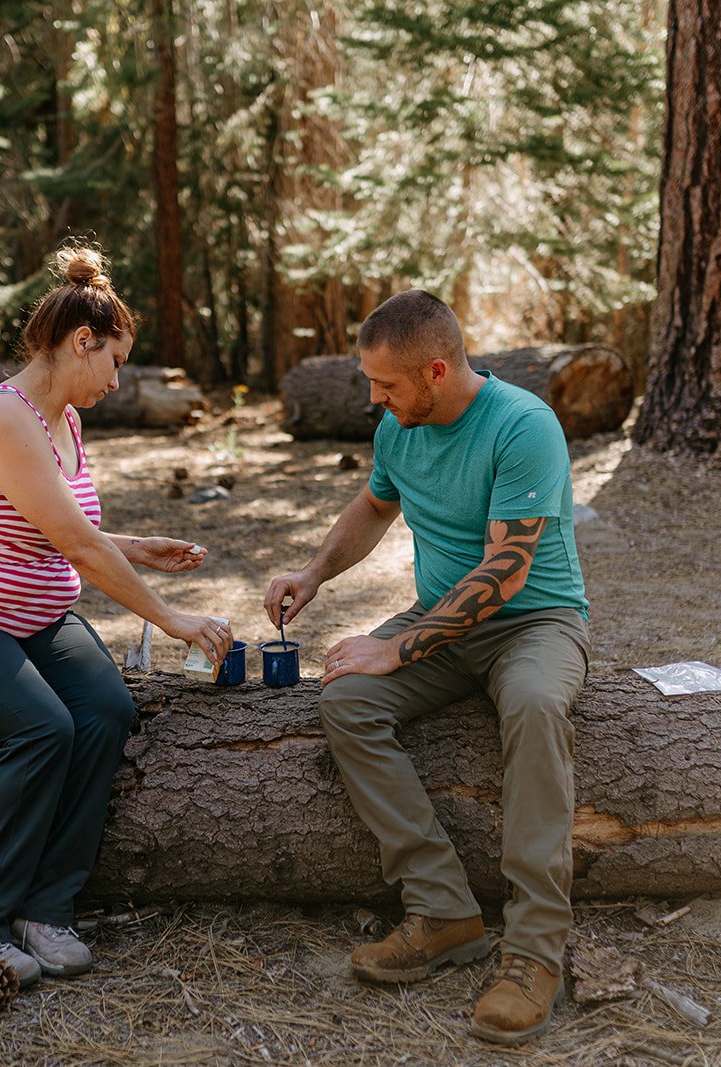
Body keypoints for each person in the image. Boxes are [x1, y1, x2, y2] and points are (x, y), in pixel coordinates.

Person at [0, 245, 234, 987]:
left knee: (107, 708)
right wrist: (171, 617)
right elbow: (75, 543)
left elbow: (58, 526)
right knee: (42, 726)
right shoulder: (3, 417)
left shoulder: (64, 420)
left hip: (37, 621)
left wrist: (138, 546)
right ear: (83, 342)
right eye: (113, 361)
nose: (116, 380)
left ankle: (44, 910)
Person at [264, 290, 589, 1045]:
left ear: (436, 371)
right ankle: (443, 908)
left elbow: (507, 570)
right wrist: (314, 575)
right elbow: (376, 506)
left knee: (537, 703)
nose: (374, 399)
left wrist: (397, 646)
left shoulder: (523, 425)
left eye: (387, 384)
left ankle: (535, 949)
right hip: (446, 623)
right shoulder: (398, 427)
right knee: (346, 700)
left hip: (536, 622)